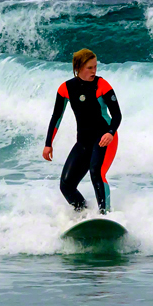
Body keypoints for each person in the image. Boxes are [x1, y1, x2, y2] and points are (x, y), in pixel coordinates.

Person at [42, 47, 121, 214]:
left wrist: (110, 132)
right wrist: (48, 144)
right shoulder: (66, 88)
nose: (94, 70)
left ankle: (104, 215)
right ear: (78, 68)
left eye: (95, 66)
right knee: (66, 185)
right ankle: (83, 212)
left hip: (104, 138)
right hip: (83, 142)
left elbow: (117, 115)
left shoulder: (102, 85)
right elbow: (57, 117)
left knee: (96, 173)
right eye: (90, 67)